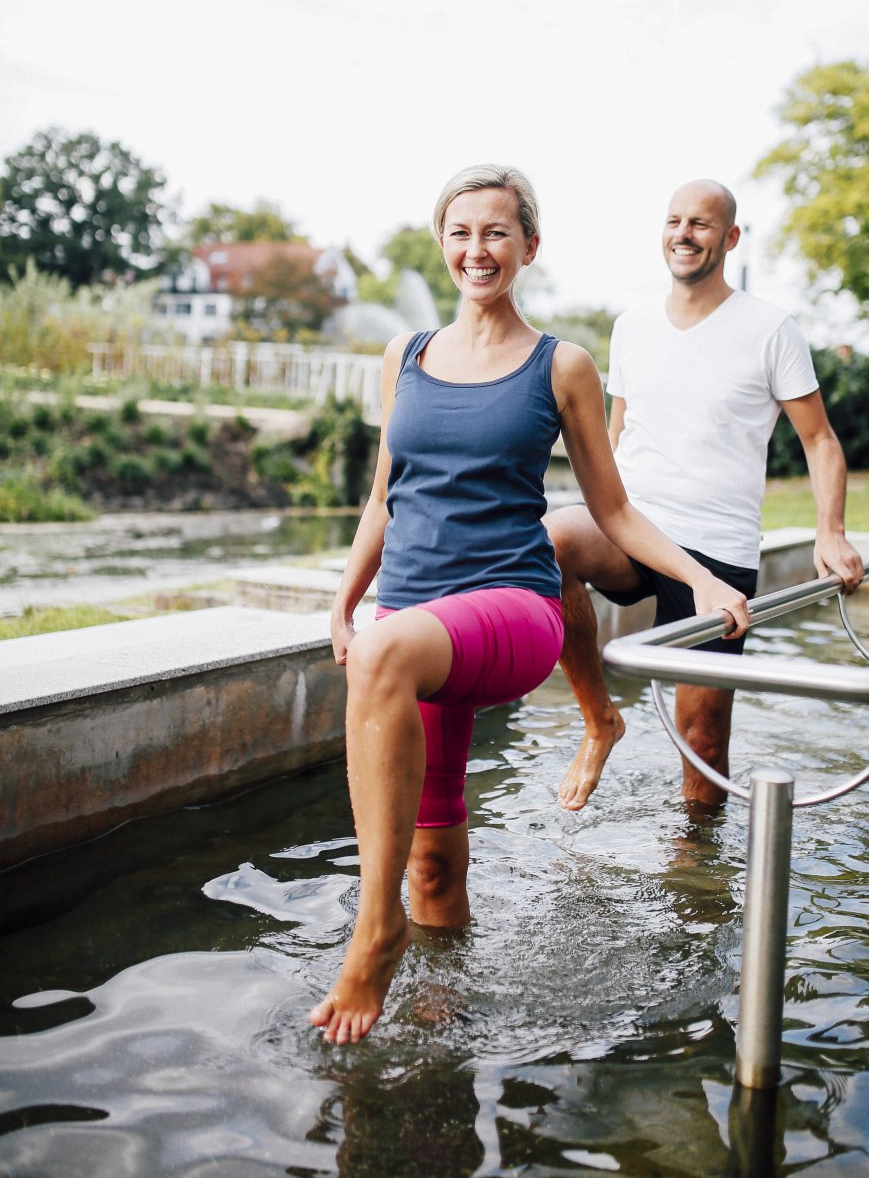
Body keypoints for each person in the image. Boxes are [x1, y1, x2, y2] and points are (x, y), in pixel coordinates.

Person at [308, 165, 752, 1045]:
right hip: (410, 609)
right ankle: (444, 1021)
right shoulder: (405, 354)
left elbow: (613, 508)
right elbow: (382, 495)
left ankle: (374, 932)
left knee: (385, 656)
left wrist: (699, 578)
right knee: (432, 864)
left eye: (497, 232)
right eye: (461, 232)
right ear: (443, 244)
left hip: (510, 605)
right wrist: (346, 596)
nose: (478, 249)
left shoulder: (564, 365)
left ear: (528, 247)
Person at [546, 178, 865, 815]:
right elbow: (617, 432)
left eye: (700, 223)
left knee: (702, 742)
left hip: (717, 551)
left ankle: (697, 874)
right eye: (674, 221)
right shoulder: (631, 325)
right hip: (634, 529)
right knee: (548, 540)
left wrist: (829, 530)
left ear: (730, 237)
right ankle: (599, 720)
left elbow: (820, 440)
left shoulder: (771, 328)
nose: (683, 234)